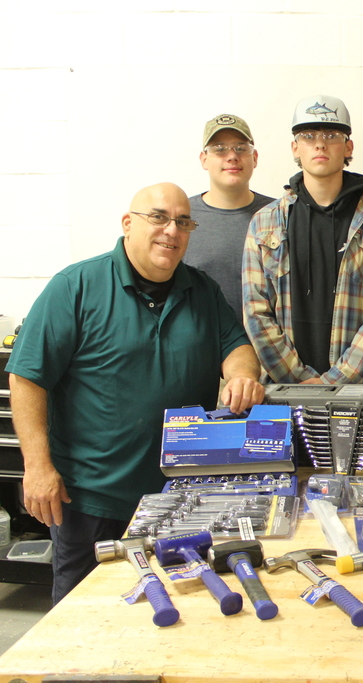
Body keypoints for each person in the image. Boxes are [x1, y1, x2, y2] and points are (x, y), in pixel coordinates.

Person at [7, 183, 264, 604]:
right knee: (83, 618)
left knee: (176, 612)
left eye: (183, 222)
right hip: (90, 500)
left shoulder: (202, 290)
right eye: (158, 217)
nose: (171, 230)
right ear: (128, 223)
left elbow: (236, 346)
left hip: (178, 500)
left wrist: (241, 375)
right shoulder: (75, 286)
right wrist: (37, 468)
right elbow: (26, 379)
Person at [242, 95, 363, 384]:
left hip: (356, 394)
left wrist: (332, 382)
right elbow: (256, 313)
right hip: (282, 391)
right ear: (295, 147)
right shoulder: (264, 223)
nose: (320, 144)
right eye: (308, 135)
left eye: (331, 135)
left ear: (348, 147)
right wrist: (298, 380)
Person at [185, 114, 274, 325]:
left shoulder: (278, 214)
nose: (232, 156)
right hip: (202, 342)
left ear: (255, 158)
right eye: (220, 149)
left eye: (241, 148)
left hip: (269, 342)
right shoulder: (182, 218)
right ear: (204, 159)